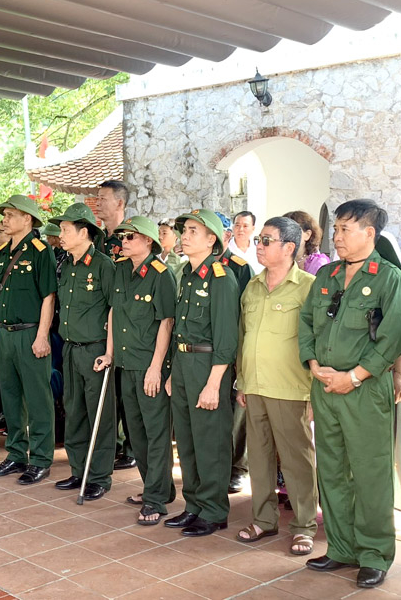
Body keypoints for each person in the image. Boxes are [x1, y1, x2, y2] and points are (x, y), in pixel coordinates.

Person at [299, 199, 401, 590]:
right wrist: (313, 364)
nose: (338, 236)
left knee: (370, 473)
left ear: (370, 233)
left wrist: (355, 376)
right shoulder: (327, 275)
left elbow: (396, 335)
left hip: (364, 391)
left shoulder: (389, 279)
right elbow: (305, 324)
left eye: (346, 229)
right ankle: (342, 547)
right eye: (337, 229)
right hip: (325, 388)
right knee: (331, 469)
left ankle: (374, 554)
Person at [235, 217, 318, 556]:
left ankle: (303, 526)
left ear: (289, 247)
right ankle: (263, 519)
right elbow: (243, 336)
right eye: (259, 239)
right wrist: (242, 380)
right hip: (254, 386)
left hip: (291, 387)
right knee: (259, 457)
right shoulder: (252, 286)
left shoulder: (309, 286)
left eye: (267, 240)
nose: (259, 245)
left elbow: (317, 340)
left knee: (297, 461)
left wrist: (315, 390)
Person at [163, 208, 239, 537]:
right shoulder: (187, 274)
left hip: (208, 367)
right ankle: (193, 504)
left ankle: (214, 509)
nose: (186, 235)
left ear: (213, 239)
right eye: (184, 230)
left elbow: (226, 337)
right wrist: (172, 372)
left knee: (211, 441)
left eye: (194, 230)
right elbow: (179, 327)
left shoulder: (222, 278)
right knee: (188, 441)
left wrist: (213, 383)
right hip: (183, 364)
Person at [101, 216, 177, 525]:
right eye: (122, 237)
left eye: (130, 237)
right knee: (137, 432)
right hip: (125, 363)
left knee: (157, 434)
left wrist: (156, 368)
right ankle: (157, 487)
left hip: (149, 366)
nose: (124, 241)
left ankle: (156, 500)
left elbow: (167, 322)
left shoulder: (161, 274)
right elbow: (113, 313)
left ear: (148, 241)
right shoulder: (120, 270)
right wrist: (108, 353)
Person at [0, 194, 58, 485]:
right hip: (5, 335)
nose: (5, 219)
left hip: (30, 333)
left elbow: (48, 296)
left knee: (38, 399)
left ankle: (40, 458)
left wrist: (41, 336)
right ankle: (16, 454)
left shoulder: (40, 251)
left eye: (11, 215)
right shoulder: (1, 254)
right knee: (11, 398)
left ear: (27, 219)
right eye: (4, 215)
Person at [50, 203, 116, 502]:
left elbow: (115, 309)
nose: (60, 235)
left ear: (84, 231)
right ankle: (79, 469)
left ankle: (99, 476)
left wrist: (110, 351)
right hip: (70, 348)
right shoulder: (65, 264)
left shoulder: (103, 265)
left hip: (95, 351)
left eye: (65, 230)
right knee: (74, 410)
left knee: (99, 414)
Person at [215, 211, 254, 494]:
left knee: (236, 411)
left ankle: (237, 467)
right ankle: (215, 465)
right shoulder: (190, 267)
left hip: (233, 349)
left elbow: (245, 314)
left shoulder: (239, 267)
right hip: (204, 351)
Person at [284, 210, 331, 275]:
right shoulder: (280, 260)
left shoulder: (318, 263)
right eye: (283, 232)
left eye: (293, 232)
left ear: (308, 235)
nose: (287, 236)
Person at [96, 180, 128, 258]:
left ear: (119, 203)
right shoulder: (97, 237)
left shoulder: (129, 238)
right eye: (98, 198)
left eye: (103, 199)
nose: (97, 203)